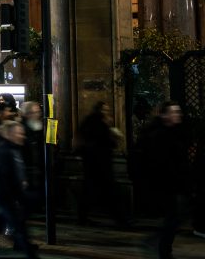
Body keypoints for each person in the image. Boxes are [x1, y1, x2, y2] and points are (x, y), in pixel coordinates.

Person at [0, 120, 39, 259]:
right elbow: (3, 179)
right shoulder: (6, 151)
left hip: (5, 198)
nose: (22, 136)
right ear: (10, 134)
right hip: (5, 198)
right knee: (21, 231)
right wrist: (21, 196)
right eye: (18, 133)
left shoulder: (11, 148)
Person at [137, 101, 188, 259]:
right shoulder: (159, 135)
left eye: (178, 112)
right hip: (166, 185)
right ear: (165, 115)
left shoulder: (174, 131)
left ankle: (158, 244)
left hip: (173, 184)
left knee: (175, 218)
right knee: (174, 218)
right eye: (173, 112)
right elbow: (160, 163)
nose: (177, 115)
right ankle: (163, 250)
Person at [76, 101, 127, 227]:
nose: (107, 112)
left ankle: (83, 217)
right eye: (105, 109)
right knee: (109, 192)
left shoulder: (92, 121)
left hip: (94, 163)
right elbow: (103, 141)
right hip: (98, 163)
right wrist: (112, 133)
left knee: (92, 191)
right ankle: (120, 219)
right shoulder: (98, 123)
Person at [20, 101, 45, 209]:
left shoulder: (41, 127)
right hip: (27, 169)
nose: (37, 114)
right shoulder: (20, 129)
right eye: (33, 112)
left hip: (38, 168)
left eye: (38, 112)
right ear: (27, 114)